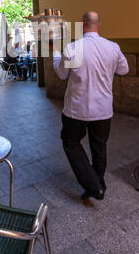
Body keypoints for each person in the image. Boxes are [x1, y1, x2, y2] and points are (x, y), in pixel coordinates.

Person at [53, 11, 129, 201]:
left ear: (82, 24)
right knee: (99, 145)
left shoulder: (73, 48)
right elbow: (124, 69)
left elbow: (62, 74)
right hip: (103, 109)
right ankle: (98, 183)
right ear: (99, 25)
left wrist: (55, 53)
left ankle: (94, 185)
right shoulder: (113, 47)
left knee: (70, 143)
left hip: (76, 109)